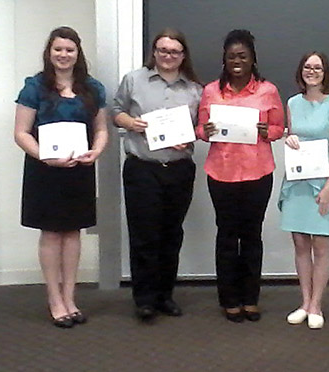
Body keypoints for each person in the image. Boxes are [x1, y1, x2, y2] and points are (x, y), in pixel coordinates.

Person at [13, 26, 108, 328]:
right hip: (45, 171)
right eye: (58, 49)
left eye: (69, 49)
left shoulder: (92, 88)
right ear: (49, 52)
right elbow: (20, 133)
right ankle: (55, 300)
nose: (63, 55)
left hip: (79, 170)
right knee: (52, 233)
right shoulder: (34, 87)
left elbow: (102, 130)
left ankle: (70, 298)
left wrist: (96, 151)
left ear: (77, 53)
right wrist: (45, 156)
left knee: (73, 233)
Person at [112, 28, 202, 321]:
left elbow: (201, 128)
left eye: (174, 51)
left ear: (183, 55)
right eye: (162, 50)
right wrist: (131, 122)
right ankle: (145, 300)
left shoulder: (195, 90)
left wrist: (188, 139)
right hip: (142, 168)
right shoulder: (134, 80)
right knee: (144, 236)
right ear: (154, 52)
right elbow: (115, 110)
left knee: (171, 235)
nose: (167, 56)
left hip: (178, 169)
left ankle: (165, 295)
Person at [196, 29, 285, 323]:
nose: (237, 61)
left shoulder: (267, 90)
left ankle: (250, 298)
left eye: (242, 56)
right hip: (221, 174)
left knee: (251, 237)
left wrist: (266, 131)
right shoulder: (211, 91)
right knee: (226, 235)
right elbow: (200, 129)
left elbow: (278, 129)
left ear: (252, 59)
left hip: (257, 173)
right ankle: (229, 299)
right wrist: (205, 132)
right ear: (224, 59)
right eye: (232, 56)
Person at [279, 52, 329, 329]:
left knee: (320, 244)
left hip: (323, 183)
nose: (312, 71)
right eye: (308, 67)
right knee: (300, 244)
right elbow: (292, 136)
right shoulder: (293, 103)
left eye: (317, 68)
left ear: (325, 72)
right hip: (296, 182)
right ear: (301, 71)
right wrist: (290, 138)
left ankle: (317, 305)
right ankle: (305, 302)